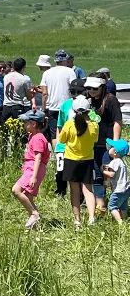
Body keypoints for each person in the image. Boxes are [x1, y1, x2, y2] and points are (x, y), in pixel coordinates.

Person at [58, 95, 98, 229]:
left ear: (73, 111)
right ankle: (92, 217)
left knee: (74, 191)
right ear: (89, 111)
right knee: (88, 190)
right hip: (87, 160)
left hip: (71, 160)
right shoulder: (93, 125)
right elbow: (95, 140)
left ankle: (77, 220)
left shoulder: (69, 124)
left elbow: (62, 140)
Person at [85, 74, 123, 214]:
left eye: (94, 88)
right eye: (89, 88)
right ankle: (101, 205)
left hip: (107, 145)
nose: (91, 90)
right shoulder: (88, 100)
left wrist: (115, 143)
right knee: (96, 175)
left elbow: (117, 121)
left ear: (102, 87)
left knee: (109, 174)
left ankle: (117, 205)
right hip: (92, 144)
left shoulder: (111, 100)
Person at [11, 110, 50, 229]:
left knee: (16, 190)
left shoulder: (38, 138)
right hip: (31, 167)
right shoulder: (32, 136)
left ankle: (34, 214)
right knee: (27, 196)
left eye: (26, 122)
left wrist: (33, 175)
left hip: (34, 168)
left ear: (33, 124)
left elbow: (38, 158)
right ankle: (36, 221)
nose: (23, 124)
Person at [54, 79, 87, 197]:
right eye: (72, 92)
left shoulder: (87, 105)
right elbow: (60, 125)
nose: (75, 95)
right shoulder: (66, 105)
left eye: (79, 92)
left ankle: (81, 196)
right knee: (60, 171)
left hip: (79, 145)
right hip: (64, 145)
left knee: (78, 173)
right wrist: (58, 145)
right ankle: (61, 192)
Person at [40, 50, 77, 143]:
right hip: (67, 106)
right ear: (65, 59)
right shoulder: (70, 71)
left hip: (52, 107)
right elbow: (75, 88)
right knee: (69, 131)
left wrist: (44, 109)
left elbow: (44, 93)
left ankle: (58, 155)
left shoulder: (47, 73)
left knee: (55, 134)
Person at [102, 138, 128, 224]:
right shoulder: (122, 162)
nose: (109, 148)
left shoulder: (115, 161)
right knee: (123, 206)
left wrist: (103, 170)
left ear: (115, 152)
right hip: (126, 189)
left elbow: (112, 174)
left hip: (118, 190)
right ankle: (124, 219)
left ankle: (120, 222)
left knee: (112, 206)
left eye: (111, 147)